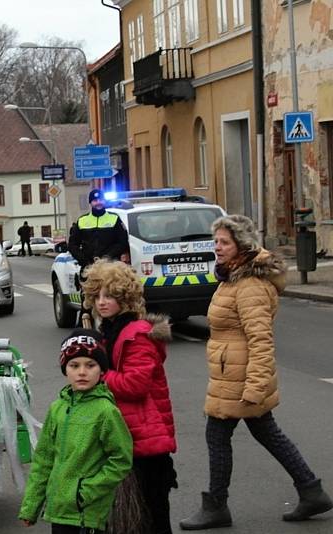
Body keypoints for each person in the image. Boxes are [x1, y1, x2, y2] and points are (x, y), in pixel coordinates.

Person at [179, 214, 332, 530]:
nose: (217, 248)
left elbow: (261, 340)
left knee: (218, 434)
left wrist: (256, 385)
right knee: (266, 432)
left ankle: (216, 506)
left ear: (241, 245)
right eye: (216, 241)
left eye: (224, 242)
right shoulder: (233, 276)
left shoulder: (248, 285)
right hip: (231, 372)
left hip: (241, 376)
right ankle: (310, 490)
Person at [82, 259, 178, 534]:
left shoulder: (136, 335)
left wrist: (99, 376)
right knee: (135, 516)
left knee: (153, 514)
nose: (102, 302)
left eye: (110, 295)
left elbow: (135, 385)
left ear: (126, 298)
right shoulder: (110, 331)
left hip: (147, 439)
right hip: (129, 434)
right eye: (97, 295)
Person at [19, 329, 133, 533]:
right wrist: (31, 507)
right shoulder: (57, 408)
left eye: (90, 365)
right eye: (74, 365)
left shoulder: (106, 412)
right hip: (59, 510)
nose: (82, 372)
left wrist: (86, 491)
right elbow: (44, 459)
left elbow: (121, 459)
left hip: (86, 513)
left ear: (102, 370)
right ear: (65, 369)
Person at [67, 189, 129, 269]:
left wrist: (108, 257)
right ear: (90, 202)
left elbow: (123, 242)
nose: (98, 202)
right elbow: (73, 245)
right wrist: (83, 260)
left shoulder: (114, 218)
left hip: (110, 266)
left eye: (101, 200)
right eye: (95, 200)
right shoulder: (82, 220)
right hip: (88, 267)